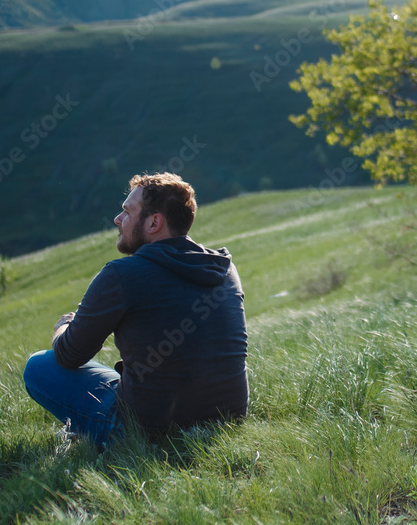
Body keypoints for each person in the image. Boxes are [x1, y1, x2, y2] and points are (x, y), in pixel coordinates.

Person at [23, 172, 248, 448]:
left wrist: (63, 327)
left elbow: (69, 355)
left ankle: (93, 434)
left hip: (148, 434)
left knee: (38, 366)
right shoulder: (225, 270)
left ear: (154, 222)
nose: (117, 220)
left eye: (127, 212)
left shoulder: (123, 275)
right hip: (227, 422)